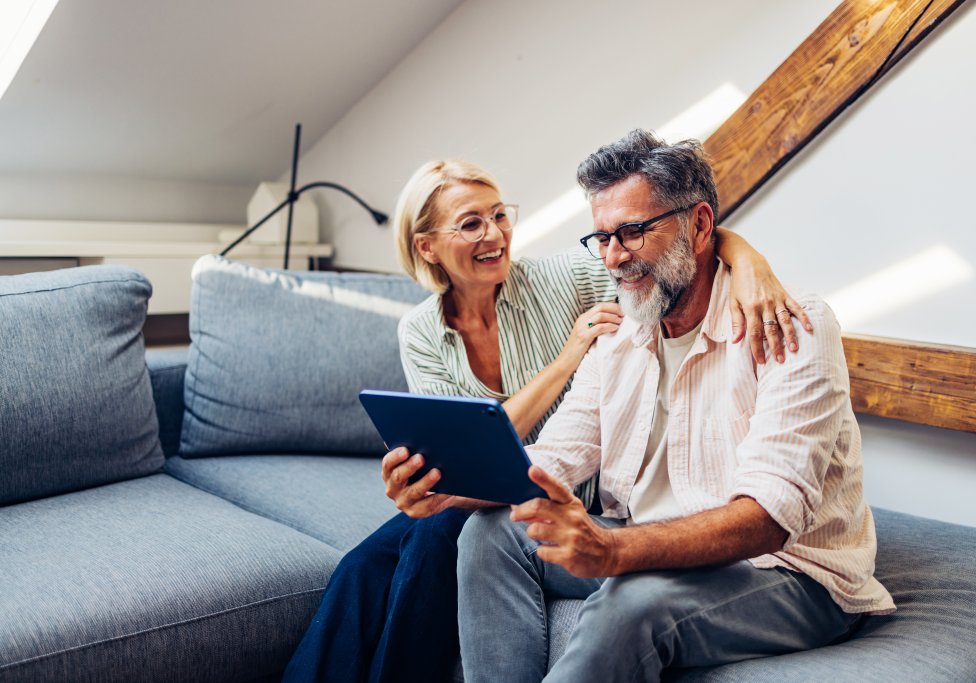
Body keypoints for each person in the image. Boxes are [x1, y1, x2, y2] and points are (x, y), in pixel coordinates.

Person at [283, 158, 812, 682]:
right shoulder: (423, 330)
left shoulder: (560, 276)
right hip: (519, 476)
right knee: (365, 565)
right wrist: (435, 482)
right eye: (471, 223)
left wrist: (747, 260)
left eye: (499, 215)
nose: (494, 234)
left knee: (433, 540)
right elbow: (477, 447)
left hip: (567, 491)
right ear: (427, 246)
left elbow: (670, 243)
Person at [452, 131, 896, 683]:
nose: (614, 258)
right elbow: (551, 460)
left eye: (634, 232)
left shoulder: (792, 325)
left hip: (788, 574)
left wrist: (615, 550)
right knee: (489, 534)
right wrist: (440, 482)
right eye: (604, 237)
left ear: (701, 225)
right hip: (656, 545)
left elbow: (768, 519)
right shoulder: (618, 336)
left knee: (633, 602)